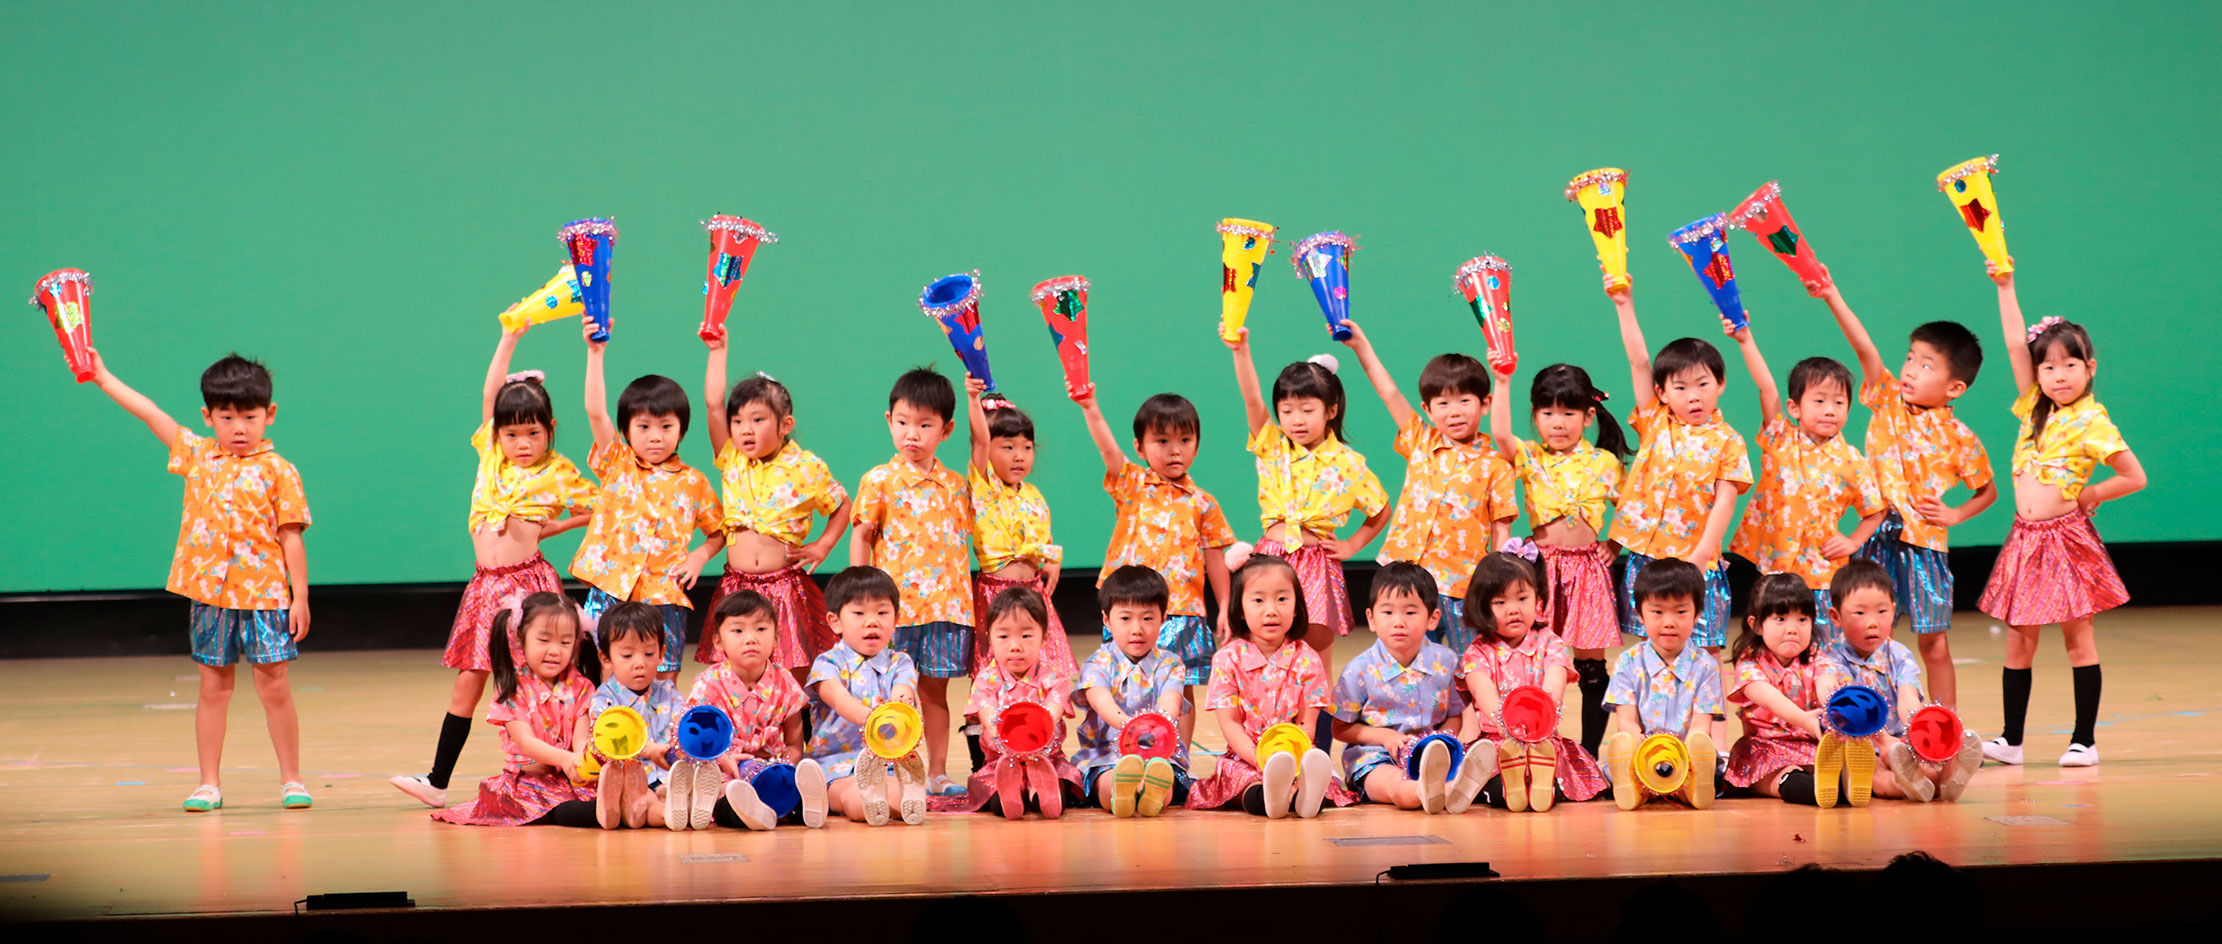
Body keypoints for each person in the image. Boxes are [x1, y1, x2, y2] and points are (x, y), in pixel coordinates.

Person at [89, 349, 315, 813]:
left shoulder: (280, 471)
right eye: (226, 417)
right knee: (214, 689)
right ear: (207, 417)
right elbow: (149, 412)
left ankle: (292, 780)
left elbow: (291, 536)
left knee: (275, 689)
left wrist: (300, 598)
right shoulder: (196, 455)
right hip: (209, 596)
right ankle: (208, 784)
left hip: (266, 598)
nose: (238, 427)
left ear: (269, 414)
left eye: (249, 417)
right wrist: (103, 377)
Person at [394, 322, 595, 808]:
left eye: (533, 433)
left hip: (528, 588)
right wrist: (509, 337)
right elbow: (490, 394)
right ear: (497, 435)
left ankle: (566, 772)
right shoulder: (491, 458)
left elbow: (597, 507)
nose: (522, 443)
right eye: (511, 434)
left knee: (541, 678)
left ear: (550, 430)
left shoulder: (558, 471)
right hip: (484, 589)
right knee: (468, 682)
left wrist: (553, 527)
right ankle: (437, 781)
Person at [1980, 266, 2144, 768]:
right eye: (2048, 367)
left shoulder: (2092, 419)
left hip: (2066, 539)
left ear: (2089, 367)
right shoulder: (2034, 406)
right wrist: (2005, 287)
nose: (2059, 375)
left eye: (2070, 365)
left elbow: (2133, 476)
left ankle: (2084, 741)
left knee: (2078, 639)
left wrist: (2091, 493)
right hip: (2025, 538)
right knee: (2018, 641)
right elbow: (2015, 345)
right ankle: (2011, 740)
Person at [1817, 267, 1996, 709]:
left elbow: (1987, 491)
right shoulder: (1887, 397)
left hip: (1925, 547)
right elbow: (1864, 348)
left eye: (1926, 365)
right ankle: (1872, 718)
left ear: (1955, 387)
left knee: (1933, 642)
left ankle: (1945, 723)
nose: (1911, 370)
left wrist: (1956, 514)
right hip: (1873, 537)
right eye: (1911, 358)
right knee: (1870, 634)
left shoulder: (1961, 437)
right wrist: (1832, 295)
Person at [1225, 325, 1391, 745]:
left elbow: (1381, 510)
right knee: (1261, 649)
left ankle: (1315, 755)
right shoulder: (1272, 446)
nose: (1296, 419)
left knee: (1315, 660)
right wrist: (1241, 349)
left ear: (1331, 410)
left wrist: (1353, 545)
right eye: (1287, 410)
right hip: (1272, 560)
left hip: (1318, 564)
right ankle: (1258, 746)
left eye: (1307, 409)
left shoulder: (1350, 463)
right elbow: (1250, 397)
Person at [1071, 388, 1236, 747]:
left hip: (1183, 612)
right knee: (1120, 680)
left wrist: (1224, 606)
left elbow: (1215, 559)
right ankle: (1124, 750)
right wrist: (1090, 407)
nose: (1174, 450)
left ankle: (1178, 758)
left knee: (1181, 687)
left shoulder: (1204, 503)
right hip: (1131, 608)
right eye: (1162, 441)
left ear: (1196, 445)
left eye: (1185, 440)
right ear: (1140, 447)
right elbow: (1107, 449)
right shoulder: (1131, 484)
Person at [1342, 320, 1518, 652]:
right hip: (1406, 580)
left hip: (1462, 586)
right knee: (1406, 659)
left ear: (1485, 403)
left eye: (1464, 401)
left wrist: (1495, 585)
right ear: (1427, 409)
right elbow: (1389, 392)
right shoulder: (1420, 440)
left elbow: (1501, 528)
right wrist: (1361, 347)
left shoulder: (1496, 464)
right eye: (1443, 403)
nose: (1455, 412)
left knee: (1470, 659)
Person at [573, 317, 723, 682]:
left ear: (681, 429)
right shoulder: (617, 462)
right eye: (643, 426)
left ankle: (661, 723)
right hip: (611, 587)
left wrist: (699, 557)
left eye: (666, 426)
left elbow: (719, 531)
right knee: (604, 673)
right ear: (626, 430)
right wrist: (595, 352)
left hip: (663, 594)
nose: (656, 436)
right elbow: (595, 411)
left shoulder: (694, 481)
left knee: (664, 677)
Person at [1489, 362, 1628, 756]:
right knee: (1532, 656)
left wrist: (1615, 542)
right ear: (1535, 416)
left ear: (1588, 416)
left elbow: (1635, 506)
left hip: (1588, 571)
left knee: (1591, 665)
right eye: (1547, 412)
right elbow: (1500, 434)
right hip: (1541, 569)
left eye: (1568, 412)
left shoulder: (1604, 462)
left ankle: (1589, 752)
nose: (1558, 422)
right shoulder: (1531, 456)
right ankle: (1532, 742)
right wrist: (1502, 381)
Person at [1607, 276, 1752, 653]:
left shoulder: (1728, 440)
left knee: (1706, 649)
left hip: (1695, 558)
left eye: (1703, 384)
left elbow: (1725, 502)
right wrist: (1624, 305)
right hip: (1648, 557)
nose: (1694, 397)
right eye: (1681, 388)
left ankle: (1706, 698)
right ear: (1662, 392)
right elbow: (1639, 362)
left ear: (1720, 384)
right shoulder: (1655, 419)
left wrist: (1701, 556)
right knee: (1650, 647)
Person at [850, 367, 975, 797]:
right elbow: (862, 535)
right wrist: (859, 596)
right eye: (903, 422)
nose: (912, 434)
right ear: (889, 421)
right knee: (889, 692)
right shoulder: (878, 480)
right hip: (895, 612)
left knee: (934, 693)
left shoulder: (957, 486)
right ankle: (889, 769)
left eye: (925, 425)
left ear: (946, 429)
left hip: (946, 608)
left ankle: (936, 772)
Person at [1723, 321, 1886, 644]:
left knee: (1820, 645)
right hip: (1774, 567)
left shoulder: (1853, 461)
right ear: (1794, 407)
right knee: (1770, 641)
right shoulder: (1780, 438)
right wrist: (1745, 340)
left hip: (1822, 573)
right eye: (1819, 401)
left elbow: (1875, 510)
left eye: (1839, 403)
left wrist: (1853, 542)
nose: (1830, 410)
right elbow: (1767, 388)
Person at [698, 339, 849, 680]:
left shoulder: (806, 466)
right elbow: (712, 405)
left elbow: (841, 505)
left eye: (758, 419)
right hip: (736, 587)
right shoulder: (732, 458)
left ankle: (795, 716)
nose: (746, 429)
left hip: (783, 588)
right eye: (738, 421)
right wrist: (718, 351)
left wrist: (823, 546)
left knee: (791, 670)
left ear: (785, 424)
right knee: (736, 671)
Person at [1185, 556, 1354, 818]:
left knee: (1308, 777)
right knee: (1245, 784)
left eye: (1282, 599)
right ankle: (1270, 797)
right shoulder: (1227, 660)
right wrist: (1261, 759)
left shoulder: (1308, 659)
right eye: (1258, 600)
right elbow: (1230, 724)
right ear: (1241, 609)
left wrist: (1291, 757)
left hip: (1294, 751)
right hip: (1247, 756)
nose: (1271, 610)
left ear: (1297, 607)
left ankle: (1302, 797)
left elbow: (1306, 723)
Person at [1331, 562, 1491, 814]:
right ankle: (1424, 791)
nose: (1399, 622)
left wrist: (1440, 742)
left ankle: (1452, 784)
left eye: (1410, 612)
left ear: (1433, 619)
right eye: (1388, 612)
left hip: (1430, 755)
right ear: (1371, 618)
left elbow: (1454, 715)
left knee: (1459, 763)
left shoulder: (1446, 662)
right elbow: (1340, 728)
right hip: (1376, 757)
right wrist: (1385, 737)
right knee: (1393, 782)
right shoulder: (1358, 670)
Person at [432, 592, 603, 826]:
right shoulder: (514, 689)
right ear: (521, 639)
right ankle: (597, 813)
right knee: (557, 808)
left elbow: (581, 738)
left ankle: (613, 809)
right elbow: (526, 742)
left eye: (565, 642)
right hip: (527, 782)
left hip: (567, 777)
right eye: (544, 640)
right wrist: (565, 759)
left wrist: (583, 762)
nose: (555, 650)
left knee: (597, 793)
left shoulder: (582, 687)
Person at [1457, 550, 1609, 812]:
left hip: (1544, 742)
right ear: (1482, 607)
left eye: (1522, 598)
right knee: (1494, 791)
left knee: (1558, 788)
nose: (1513, 609)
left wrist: (1540, 720)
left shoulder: (1550, 643)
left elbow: (1555, 682)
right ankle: (1514, 782)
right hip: (1498, 744)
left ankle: (1540, 780)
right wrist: (1507, 725)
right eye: (1500, 602)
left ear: (1538, 600)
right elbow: (1483, 691)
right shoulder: (1477, 653)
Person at [1821, 561, 1978, 805]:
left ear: (1893, 611)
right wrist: (1883, 741)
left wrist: (1915, 736)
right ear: (1836, 616)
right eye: (1860, 613)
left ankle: (1949, 776)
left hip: (1898, 743)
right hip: (1857, 744)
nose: (1872, 622)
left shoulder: (1899, 654)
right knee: (1874, 777)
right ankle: (1906, 785)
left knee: (1927, 768)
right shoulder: (1830, 659)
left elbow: (1908, 697)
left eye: (1882, 611)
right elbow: (1852, 710)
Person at [682, 590, 827, 831]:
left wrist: (779, 767)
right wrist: (724, 760)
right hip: (727, 772)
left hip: (772, 770)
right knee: (723, 794)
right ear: (718, 641)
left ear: (776, 637)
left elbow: (794, 744)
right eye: (738, 631)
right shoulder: (708, 686)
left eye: (760, 629)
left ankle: (804, 806)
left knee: (792, 787)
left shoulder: (785, 683)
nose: (750, 638)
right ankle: (750, 811)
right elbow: (695, 743)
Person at [934, 587, 1081, 819]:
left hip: (1046, 759)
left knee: (1057, 793)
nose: (1015, 646)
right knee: (998, 803)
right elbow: (988, 716)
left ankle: (1041, 789)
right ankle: (1010, 791)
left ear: (1044, 637)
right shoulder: (986, 679)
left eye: (1026, 636)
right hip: (1001, 762)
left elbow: (1053, 713)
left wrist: (1036, 738)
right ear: (990, 638)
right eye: (1004, 637)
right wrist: (1007, 741)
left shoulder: (1054, 678)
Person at [1600, 559, 1724, 810]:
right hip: (1643, 755)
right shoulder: (1627, 662)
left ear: (1697, 613)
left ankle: (1688, 787)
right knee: (1623, 754)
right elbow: (1627, 723)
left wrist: (1682, 757)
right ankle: (1638, 787)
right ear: (1640, 614)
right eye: (1657, 612)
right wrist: (1645, 752)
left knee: (1706, 760)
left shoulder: (1706, 666)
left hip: (1686, 758)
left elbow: (1701, 726)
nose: (1669, 622)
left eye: (1680, 612)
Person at [806, 567, 925, 826]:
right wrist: (874, 718)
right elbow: (838, 699)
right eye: (859, 613)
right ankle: (869, 803)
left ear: (896, 619)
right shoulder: (828, 663)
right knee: (850, 796)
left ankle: (900, 802)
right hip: (835, 766)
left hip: (887, 763)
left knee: (895, 792)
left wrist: (901, 709)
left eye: (882, 613)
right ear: (835, 621)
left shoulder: (900, 662)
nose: (872, 622)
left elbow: (903, 692)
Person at [1070, 566, 1190, 818]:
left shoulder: (1171, 664)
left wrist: (1156, 728)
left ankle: (1153, 796)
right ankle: (1120, 791)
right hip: (1107, 754)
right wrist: (1131, 728)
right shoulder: (1097, 663)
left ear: (1163, 618)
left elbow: (1171, 703)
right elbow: (1101, 701)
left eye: (1147, 618)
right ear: (1107, 620)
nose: (1137, 629)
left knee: (1164, 778)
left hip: (1159, 754)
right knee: (1107, 778)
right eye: (1126, 618)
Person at [1724, 574, 1846, 806]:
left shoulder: (1816, 657)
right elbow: (1769, 697)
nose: (1792, 629)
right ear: (1756, 624)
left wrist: (1834, 708)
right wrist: (1803, 719)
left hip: (1812, 747)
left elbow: (1827, 684)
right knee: (1775, 774)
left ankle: (1841, 783)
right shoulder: (1749, 664)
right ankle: (1803, 787)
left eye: (1802, 619)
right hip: (1765, 747)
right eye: (1780, 619)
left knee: (1831, 760)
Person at [583, 602, 685, 829]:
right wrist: (649, 750)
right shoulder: (605, 699)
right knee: (645, 800)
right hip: (630, 778)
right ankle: (668, 814)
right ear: (606, 659)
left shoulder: (669, 693)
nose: (640, 663)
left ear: (661, 654)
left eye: (649, 653)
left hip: (667, 775)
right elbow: (608, 742)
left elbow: (683, 727)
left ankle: (682, 806)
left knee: (676, 789)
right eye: (627, 655)